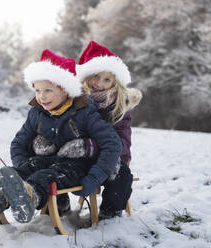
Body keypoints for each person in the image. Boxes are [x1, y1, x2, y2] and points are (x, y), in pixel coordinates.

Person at [0, 49, 122, 224]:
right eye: (38, 90)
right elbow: (19, 143)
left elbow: (112, 144)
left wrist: (95, 176)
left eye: (48, 90)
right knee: (30, 168)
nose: (42, 97)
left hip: (77, 166)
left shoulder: (85, 112)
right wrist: (23, 166)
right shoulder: (37, 113)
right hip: (46, 160)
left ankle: (31, 197)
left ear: (65, 90)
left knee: (47, 175)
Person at [33, 41, 142, 220]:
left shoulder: (119, 107)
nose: (99, 83)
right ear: (85, 77)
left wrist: (92, 146)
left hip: (111, 157)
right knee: (54, 165)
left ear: (115, 82)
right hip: (78, 157)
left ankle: (111, 210)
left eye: (107, 79)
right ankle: (60, 202)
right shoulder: (74, 101)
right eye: (95, 77)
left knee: (121, 175)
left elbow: (122, 141)